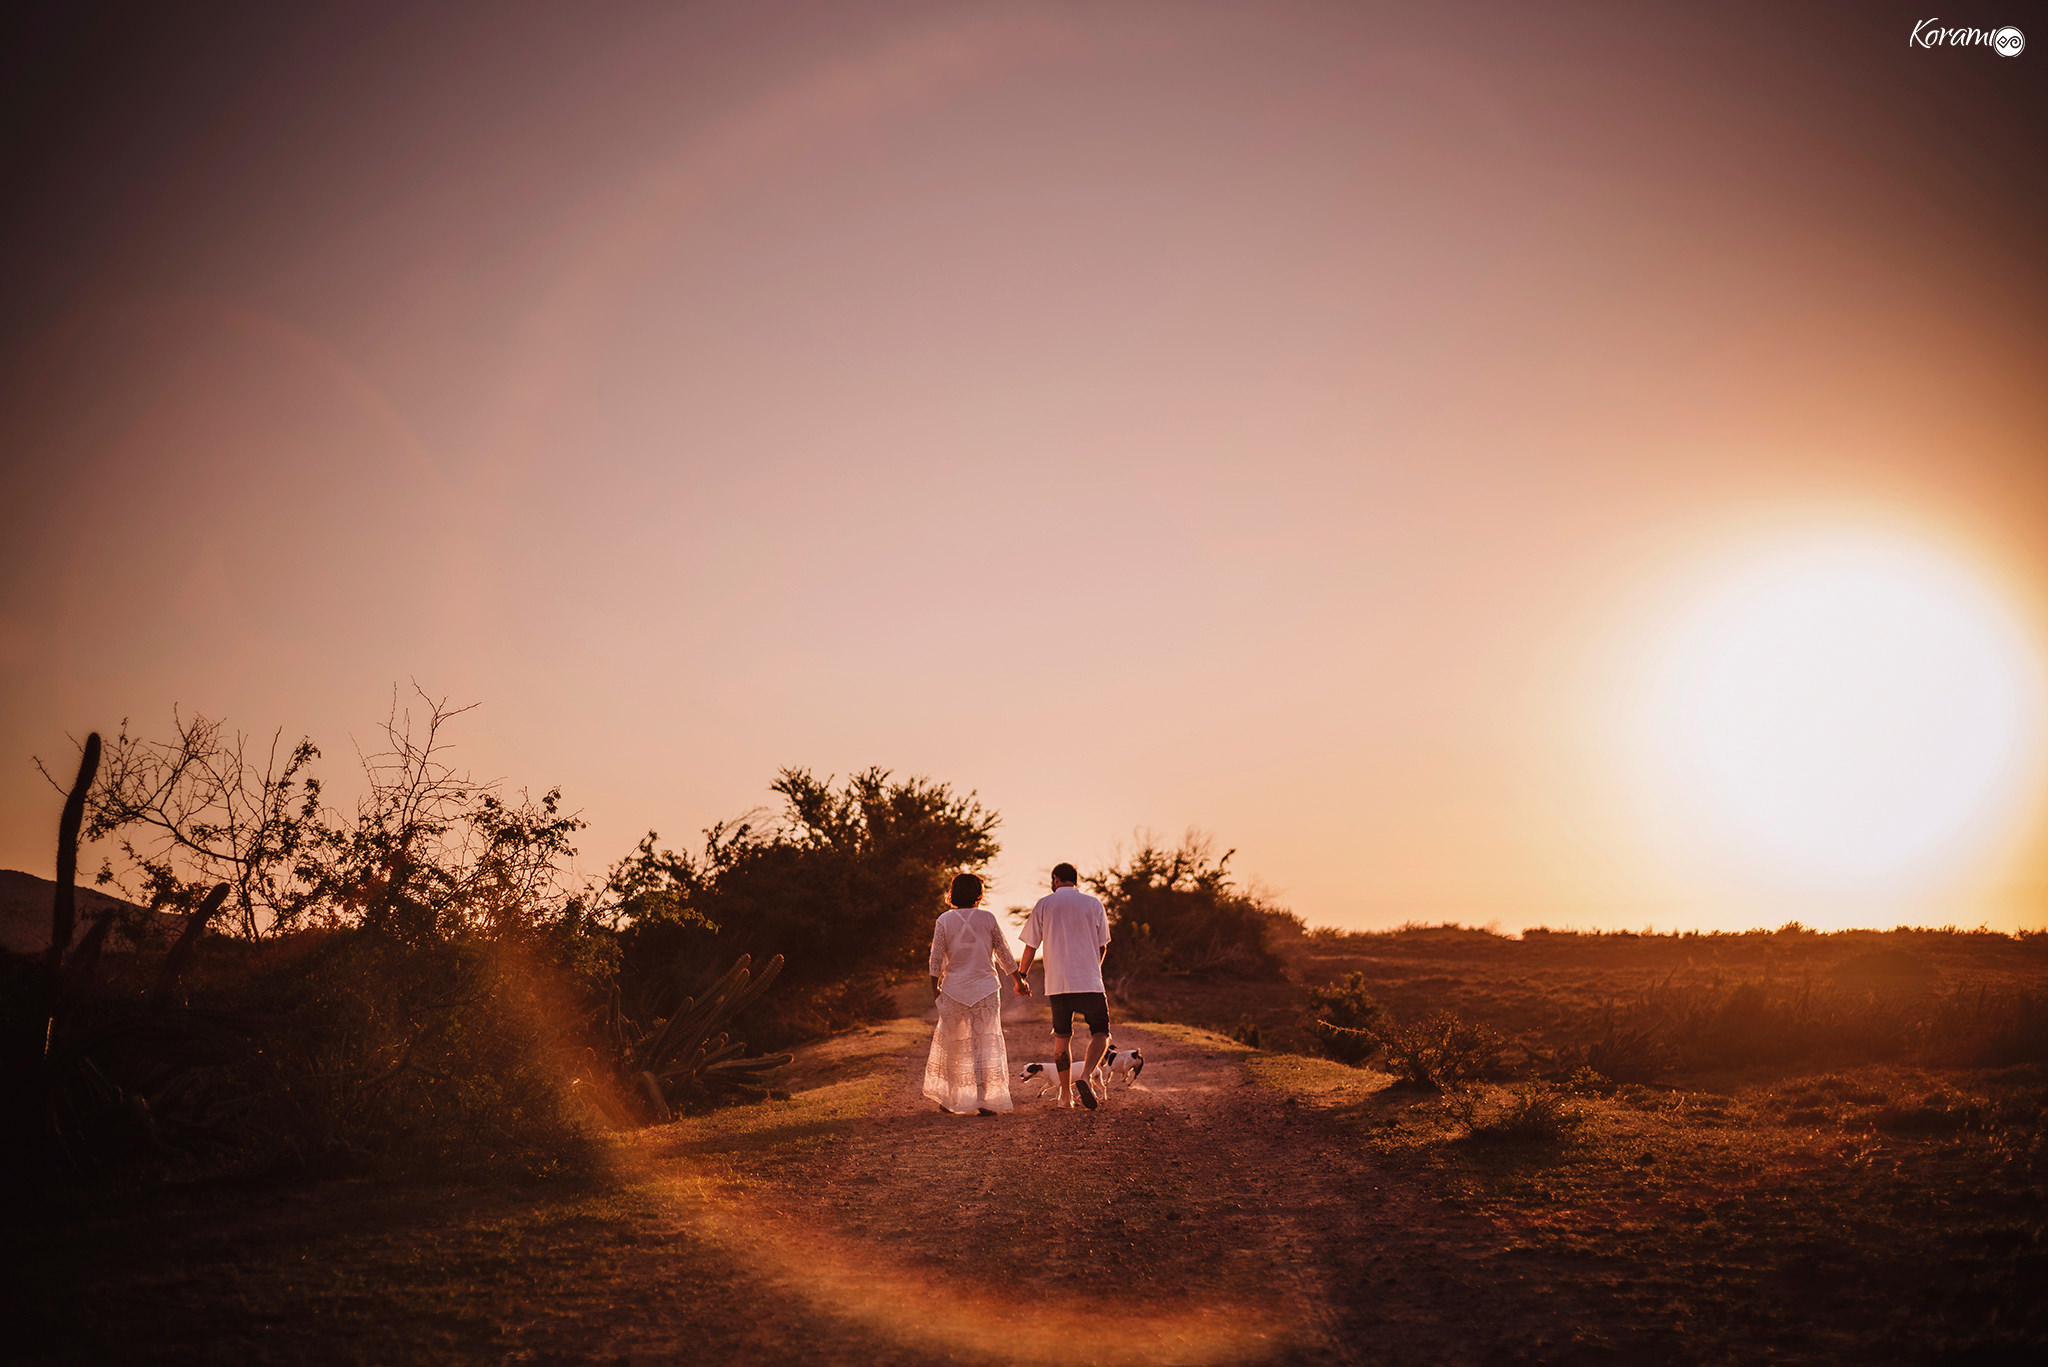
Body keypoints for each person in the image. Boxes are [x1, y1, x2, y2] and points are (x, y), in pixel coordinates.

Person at [921, 872, 1021, 1116]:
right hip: (985, 990)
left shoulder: (944, 920)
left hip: (954, 990)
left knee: (954, 1044)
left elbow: (935, 958)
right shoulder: (987, 918)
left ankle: (950, 1099)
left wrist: (934, 988)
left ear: (953, 894)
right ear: (979, 894)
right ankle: (987, 1101)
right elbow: (1004, 954)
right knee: (985, 1042)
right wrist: (1019, 981)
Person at [1015, 862, 1111, 1109]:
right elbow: (1103, 945)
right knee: (1101, 1033)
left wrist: (1022, 976)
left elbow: (1031, 945)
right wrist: (1094, 968)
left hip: (1058, 985)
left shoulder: (1044, 904)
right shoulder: (1093, 904)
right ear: (1074, 880)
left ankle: (1065, 1098)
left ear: (1055, 879)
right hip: (1090, 981)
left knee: (1062, 1039)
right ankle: (1086, 1075)